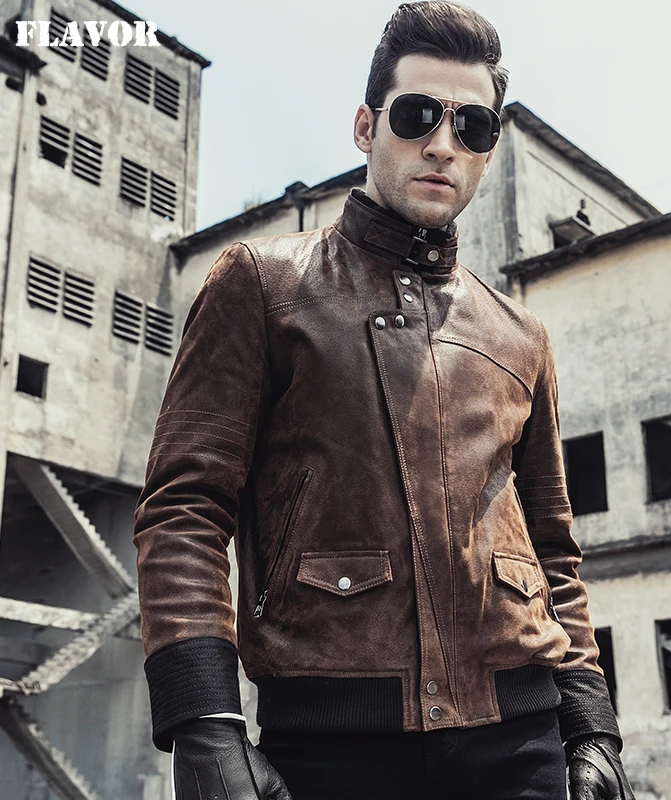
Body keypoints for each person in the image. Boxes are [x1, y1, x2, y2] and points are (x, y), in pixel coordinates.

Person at [133, 3, 637, 798]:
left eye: (472, 126)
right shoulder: (261, 285)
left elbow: (552, 550)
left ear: (488, 151)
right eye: (416, 115)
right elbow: (184, 510)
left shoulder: (520, 335)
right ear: (366, 127)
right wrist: (204, 719)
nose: (442, 143)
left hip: (524, 745)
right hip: (332, 753)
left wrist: (593, 726)